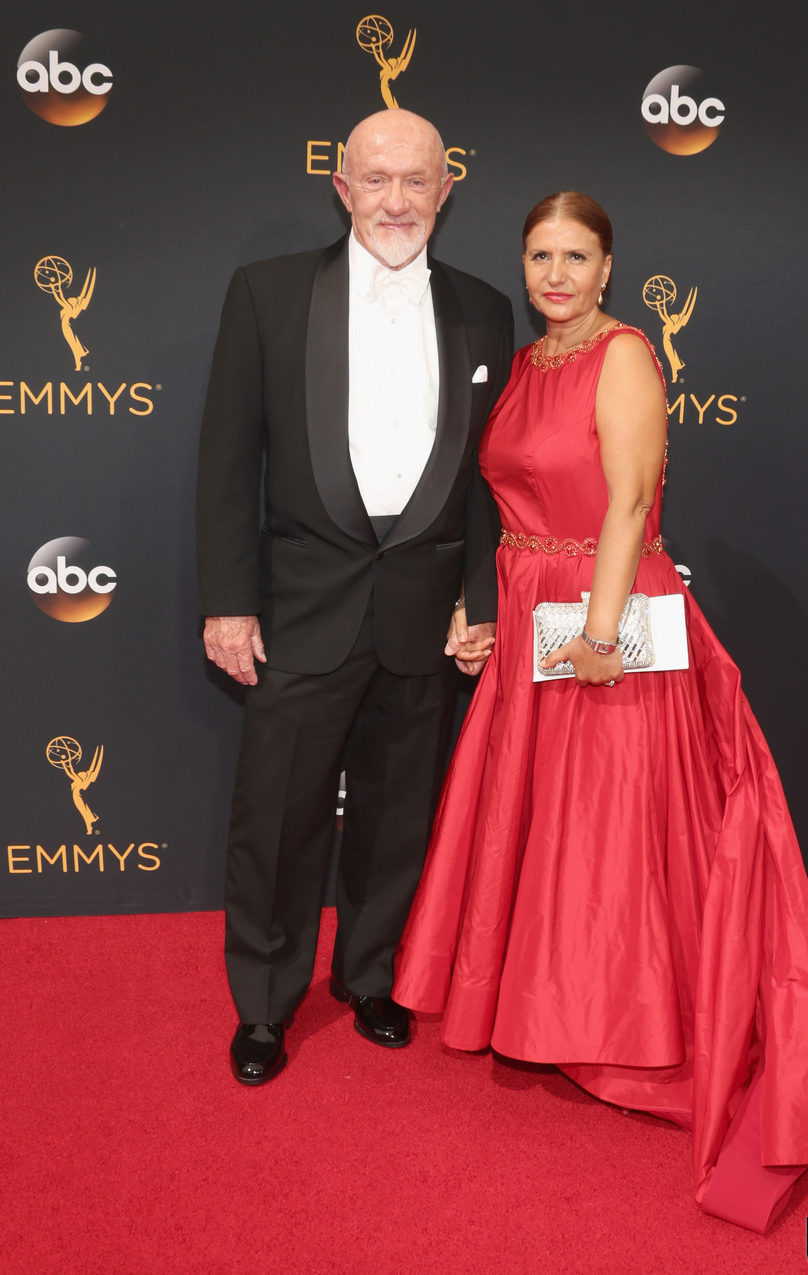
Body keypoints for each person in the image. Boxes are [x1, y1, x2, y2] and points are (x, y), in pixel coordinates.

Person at [393, 192, 808, 1232]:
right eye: (538, 255)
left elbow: (627, 504)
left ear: (607, 266)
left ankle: (630, 1024)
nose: (553, 274)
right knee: (560, 831)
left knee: (615, 836)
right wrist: (505, 624)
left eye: (574, 256)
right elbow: (527, 512)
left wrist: (595, 633)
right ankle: (555, 1010)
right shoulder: (530, 361)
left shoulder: (622, 355)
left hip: (613, 616)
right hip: (541, 612)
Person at [196, 109, 513, 1085]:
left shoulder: (485, 310)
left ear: (446, 188)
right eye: (375, 180)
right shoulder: (267, 294)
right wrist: (226, 601)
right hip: (299, 606)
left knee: (396, 813)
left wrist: (478, 598)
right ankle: (264, 1003)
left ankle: (370, 974)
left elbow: (487, 479)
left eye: (415, 181)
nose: (396, 200)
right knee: (277, 817)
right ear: (340, 187)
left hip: (421, 609)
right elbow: (225, 460)